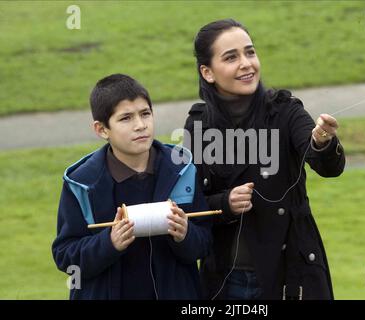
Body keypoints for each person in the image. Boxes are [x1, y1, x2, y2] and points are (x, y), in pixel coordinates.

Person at [184, 19, 345, 300]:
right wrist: (226, 204)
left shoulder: (285, 110)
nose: (246, 63)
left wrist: (322, 141)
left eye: (250, 52)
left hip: (290, 275)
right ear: (207, 72)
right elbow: (191, 205)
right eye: (231, 57)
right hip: (225, 281)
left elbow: (324, 163)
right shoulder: (198, 125)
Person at [52, 74, 212, 299]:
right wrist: (108, 243)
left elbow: (204, 243)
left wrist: (185, 235)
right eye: (126, 118)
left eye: (145, 114)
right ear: (101, 129)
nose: (140, 125)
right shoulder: (82, 183)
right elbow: (66, 257)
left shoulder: (182, 169)